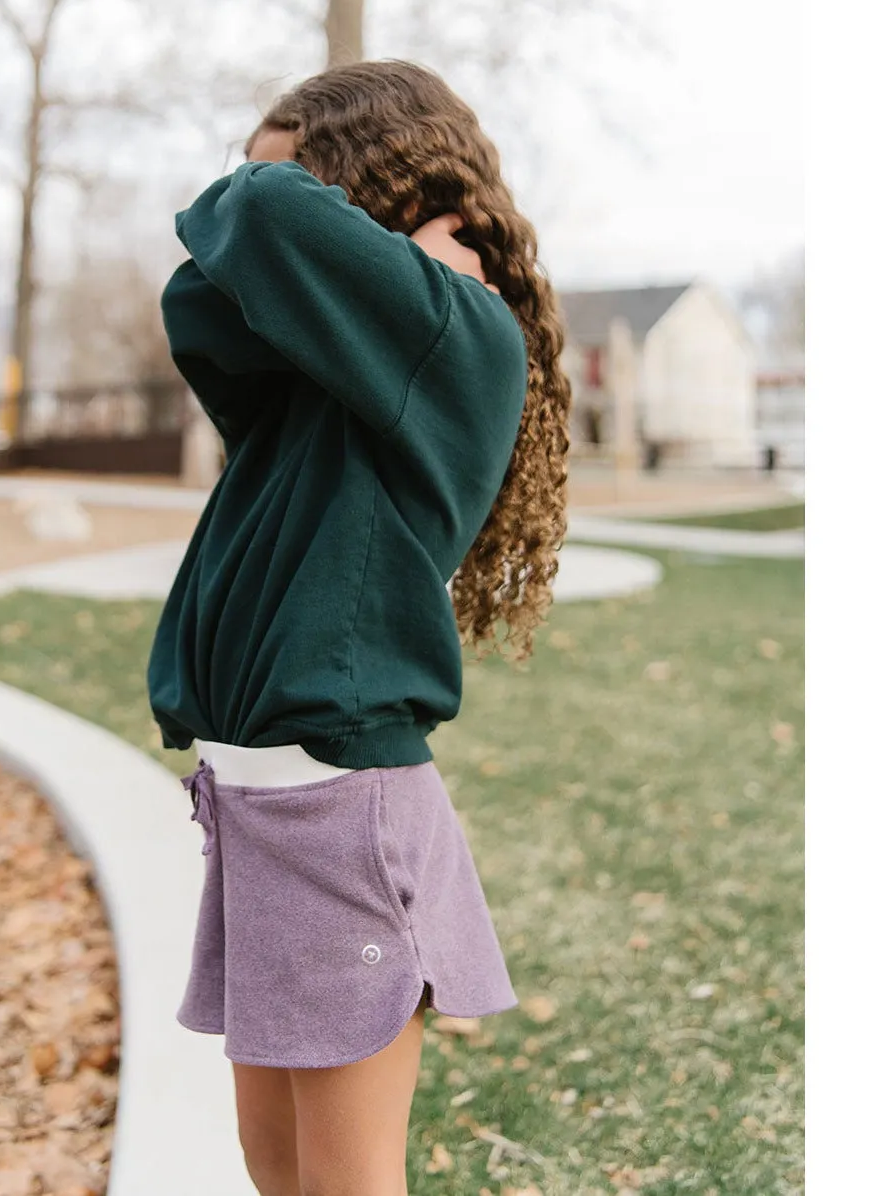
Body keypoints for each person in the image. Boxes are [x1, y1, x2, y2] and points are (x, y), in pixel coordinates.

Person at [146, 60, 572, 1196]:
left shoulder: (459, 335)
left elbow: (255, 211)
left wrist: (288, 196)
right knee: (274, 1169)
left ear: (357, 188)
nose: (253, 188)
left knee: (342, 1185)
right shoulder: (318, 380)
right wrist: (323, 237)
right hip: (259, 806)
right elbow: (199, 295)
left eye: (293, 169)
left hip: (342, 812)